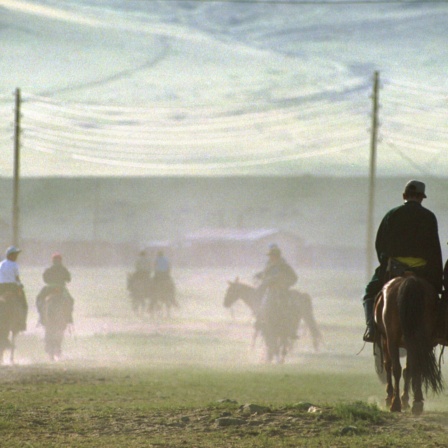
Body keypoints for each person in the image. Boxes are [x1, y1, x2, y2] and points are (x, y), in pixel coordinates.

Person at [362, 180, 443, 342]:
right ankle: (440, 331)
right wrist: (436, 276)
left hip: (395, 269)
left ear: (404, 195)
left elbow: (381, 245)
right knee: (440, 299)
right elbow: (434, 249)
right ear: (421, 197)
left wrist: (387, 264)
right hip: (423, 272)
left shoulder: (392, 215)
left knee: (370, 292)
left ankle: (371, 329)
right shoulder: (429, 217)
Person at [254, 244, 298, 334]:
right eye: (270, 256)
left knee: (285, 307)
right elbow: (265, 275)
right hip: (270, 291)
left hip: (282, 291)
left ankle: (289, 328)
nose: (270, 257)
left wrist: (284, 284)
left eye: (271, 256)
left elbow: (294, 278)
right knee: (262, 304)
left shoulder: (284, 266)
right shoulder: (270, 265)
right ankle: (261, 321)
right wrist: (260, 275)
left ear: (276, 256)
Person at [36, 253, 74, 325]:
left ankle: (41, 316)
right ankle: (69, 317)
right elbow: (68, 279)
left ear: (53, 261)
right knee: (70, 300)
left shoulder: (49, 270)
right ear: (60, 261)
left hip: (49, 288)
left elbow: (45, 279)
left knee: (39, 298)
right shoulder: (64, 269)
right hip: (61, 288)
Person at [0, 246, 28, 332]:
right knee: (24, 304)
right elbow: (17, 278)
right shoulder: (14, 264)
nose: (16, 257)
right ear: (10, 255)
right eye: (15, 255)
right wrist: (20, 285)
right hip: (12, 287)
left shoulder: (1, 264)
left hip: (1, 287)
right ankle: (22, 323)